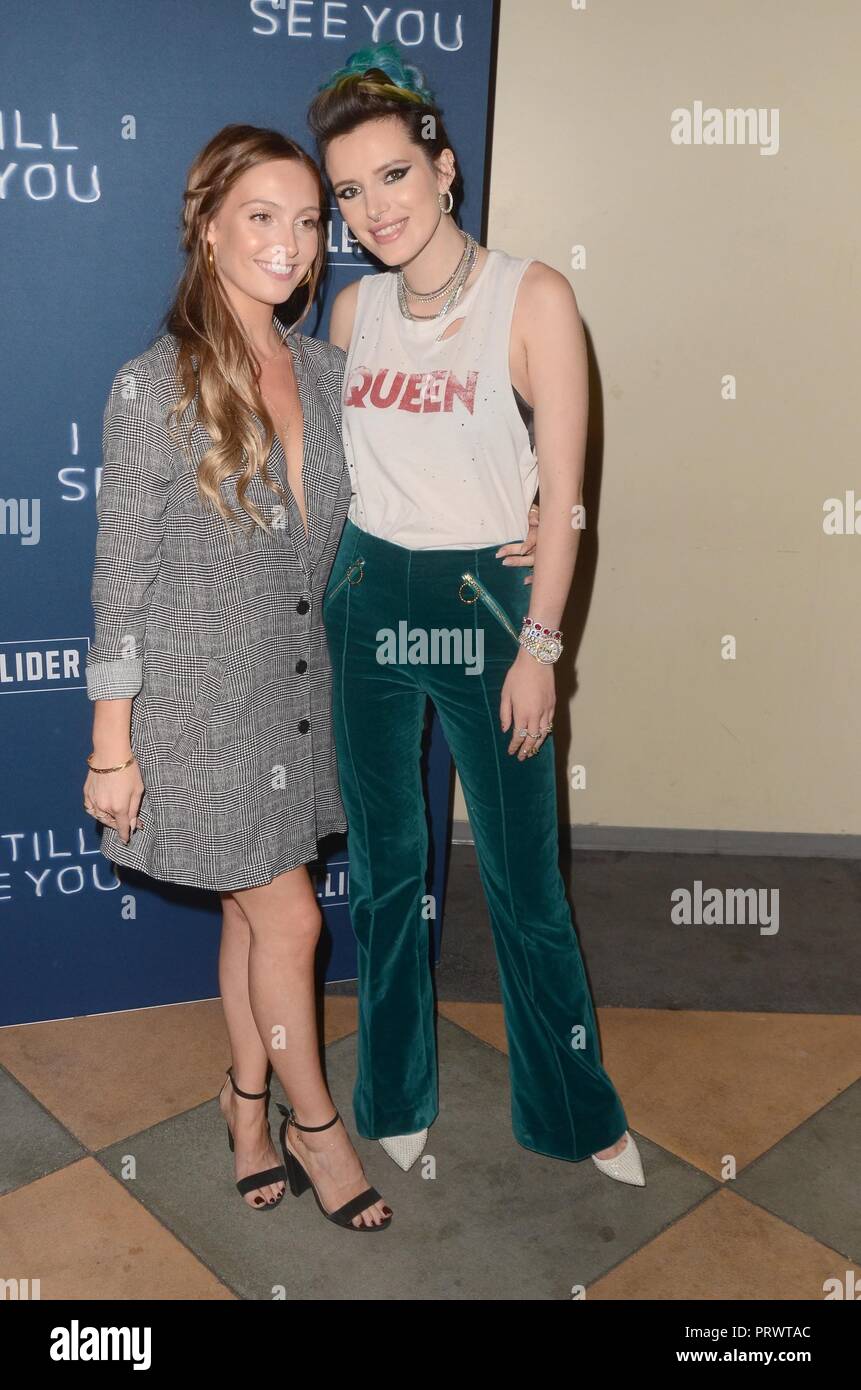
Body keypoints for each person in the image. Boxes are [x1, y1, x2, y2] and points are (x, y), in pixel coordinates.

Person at [307, 45, 646, 1186]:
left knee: (520, 878)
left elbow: (568, 493)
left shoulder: (532, 296)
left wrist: (539, 642)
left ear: (445, 168)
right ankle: (391, 1091)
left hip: (482, 609)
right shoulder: (351, 314)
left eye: (393, 176)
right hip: (367, 599)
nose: (372, 209)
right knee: (388, 870)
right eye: (349, 192)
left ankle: (573, 1105)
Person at [83, 124, 392, 1230]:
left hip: (298, 705)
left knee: (253, 923)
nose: (291, 242)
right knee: (296, 923)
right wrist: (111, 747)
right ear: (208, 226)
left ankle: (245, 1103)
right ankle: (316, 1123)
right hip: (200, 719)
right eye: (263, 215)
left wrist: (519, 521)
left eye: (310, 221)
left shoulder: (325, 370)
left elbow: (395, 505)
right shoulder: (150, 385)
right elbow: (120, 582)